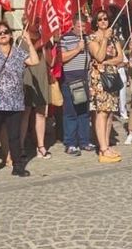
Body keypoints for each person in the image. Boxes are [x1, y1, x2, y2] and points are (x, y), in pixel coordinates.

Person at [0, 6, 39, 179]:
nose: (3, 34)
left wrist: (28, 41)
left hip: (15, 101)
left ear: (11, 35)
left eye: (6, 32)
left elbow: (34, 60)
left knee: (14, 136)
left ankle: (18, 166)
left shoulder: (19, 52)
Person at [88, 10, 125, 163]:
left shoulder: (114, 38)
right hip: (98, 77)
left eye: (106, 19)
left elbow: (120, 57)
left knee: (110, 112)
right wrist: (104, 40)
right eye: (100, 19)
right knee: (101, 111)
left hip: (111, 75)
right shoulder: (92, 38)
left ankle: (107, 144)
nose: (104, 21)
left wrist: (108, 62)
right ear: (96, 22)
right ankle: (102, 148)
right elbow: (99, 56)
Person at [59, 17, 93, 155]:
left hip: (84, 79)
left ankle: (84, 141)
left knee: (84, 112)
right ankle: (70, 143)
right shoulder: (65, 39)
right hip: (70, 80)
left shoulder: (87, 39)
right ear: (73, 26)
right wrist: (77, 49)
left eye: (84, 26)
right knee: (71, 113)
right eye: (79, 26)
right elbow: (62, 58)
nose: (82, 29)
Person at [20, 26, 52, 159]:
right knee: (25, 113)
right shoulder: (20, 41)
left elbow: (50, 61)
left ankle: (41, 146)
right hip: (27, 78)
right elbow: (22, 62)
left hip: (41, 77)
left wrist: (46, 46)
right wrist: (33, 43)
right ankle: (20, 146)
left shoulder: (45, 40)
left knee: (40, 113)